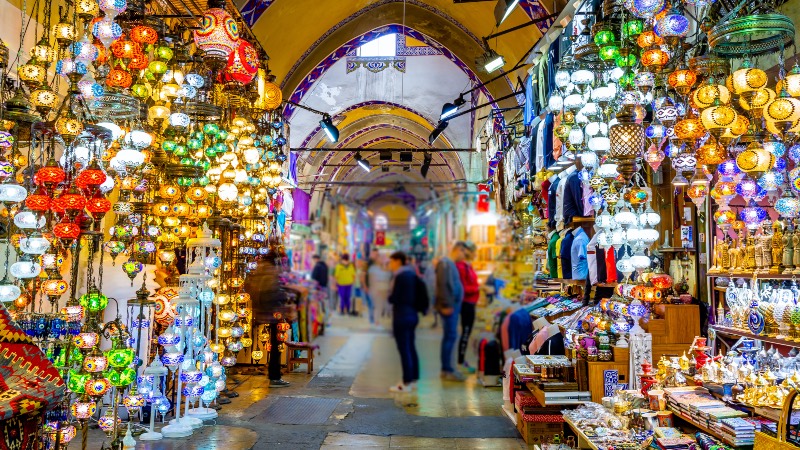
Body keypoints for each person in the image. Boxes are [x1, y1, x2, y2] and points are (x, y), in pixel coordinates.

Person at [244, 253, 292, 388]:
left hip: (264, 312)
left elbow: (253, 290)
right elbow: (273, 292)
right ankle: (274, 376)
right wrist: (283, 300)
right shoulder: (270, 272)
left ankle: (274, 374)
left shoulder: (259, 271)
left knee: (274, 345)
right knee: (276, 345)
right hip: (272, 313)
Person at [388, 251, 426, 392]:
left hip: (402, 316)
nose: (390, 265)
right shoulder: (411, 274)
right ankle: (414, 379)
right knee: (410, 347)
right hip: (412, 315)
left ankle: (406, 382)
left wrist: (389, 297)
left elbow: (395, 298)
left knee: (404, 349)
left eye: (391, 262)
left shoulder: (400, 276)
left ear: (398, 261)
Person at [435, 242, 467, 381]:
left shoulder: (449, 264)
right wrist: (446, 304)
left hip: (452, 306)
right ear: (457, 250)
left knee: (451, 336)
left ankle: (448, 368)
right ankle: (447, 369)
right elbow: (443, 285)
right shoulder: (445, 264)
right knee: (450, 336)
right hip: (449, 307)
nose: (463, 255)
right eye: (462, 252)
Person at [457, 242, 480, 373]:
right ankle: (460, 362)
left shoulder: (467, 266)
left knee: (467, 332)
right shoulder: (461, 267)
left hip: (470, 303)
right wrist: (478, 288)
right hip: (466, 303)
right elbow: (463, 288)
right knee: (465, 333)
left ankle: (461, 360)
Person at [368, 254, 392, 324]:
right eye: (380, 258)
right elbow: (372, 280)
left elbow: (388, 276)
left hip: (385, 288)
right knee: (377, 306)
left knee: (382, 306)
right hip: (377, 289)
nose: (381, 260)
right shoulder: (373, 268)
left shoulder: (385, 268)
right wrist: (374, 289)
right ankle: (376, 321)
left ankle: (377, 320)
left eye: (382, 258)